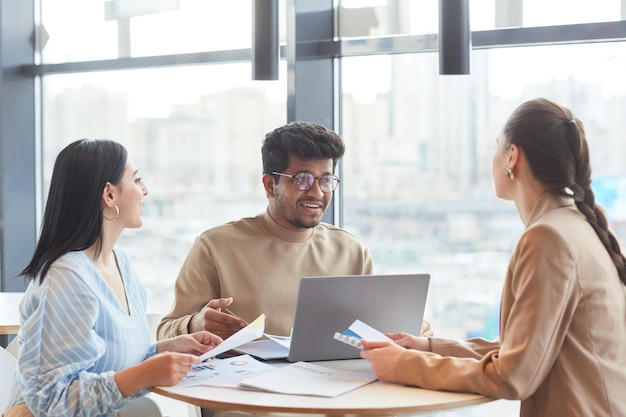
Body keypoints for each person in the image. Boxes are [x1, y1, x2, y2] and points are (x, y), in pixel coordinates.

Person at [360, 98, 626, 416]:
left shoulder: (548, 237)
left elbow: (513, 376)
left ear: (512, 156)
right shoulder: (576, 224)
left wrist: (404, 365)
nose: (494, 157)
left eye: (497, 146)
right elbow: (523, 351)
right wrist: (428, 347)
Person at [5, 139, 223, 417]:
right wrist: (146, 374)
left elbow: (109, 361)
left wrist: (164, 351)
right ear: (109, 194)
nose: (145, 190)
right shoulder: (65, 277)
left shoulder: (121, 263)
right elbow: (51, 402)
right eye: (137, 179)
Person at [157, 121, 376, 340]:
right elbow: (164, 333)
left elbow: (370, 334)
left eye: (325, 180)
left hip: (333, 374)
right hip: (241, 374)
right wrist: (195, 324)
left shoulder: (352, 251)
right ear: (270, 185)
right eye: (302, 180)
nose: (317, 193)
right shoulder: (215, 247)